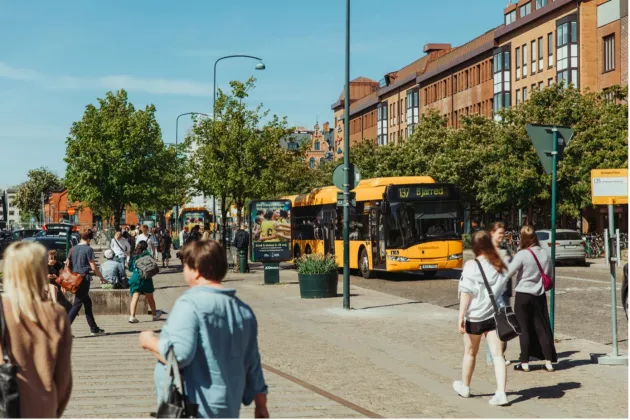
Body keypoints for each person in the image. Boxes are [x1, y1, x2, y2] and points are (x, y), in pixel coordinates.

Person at [139, 240, 269, 418]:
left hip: (195, 407)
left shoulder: (190, 304)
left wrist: (150, 342)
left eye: (185, 266)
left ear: (196, 270)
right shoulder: (242, 310)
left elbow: (179, 355)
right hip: (227, 407)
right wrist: (261, 405)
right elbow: (253, 362)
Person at [1, 242, 73, 417]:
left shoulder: (2, 308)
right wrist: (54, 409)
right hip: (43, 407)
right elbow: (64, 378)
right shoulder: (56, 314)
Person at [454, 230, 510, 406]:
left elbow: (466, 293)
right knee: (498, 355)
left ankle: (465, 386)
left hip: (475, 317)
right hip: (493, 315)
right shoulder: (497, 263)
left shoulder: (471, 266)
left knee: (470, 353)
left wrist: (461, 316)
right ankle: (501, 392)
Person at [505, 225, 558, 372]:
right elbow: (549, 276)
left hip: (523, 296)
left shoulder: (522, 254)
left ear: (523, 239)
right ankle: (548, 362)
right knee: (543, 329)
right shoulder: (545, 254)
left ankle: (525, 363)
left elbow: (509, 273)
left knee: (524, 329)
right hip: (539, 295)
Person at [68, 227, 106, 335]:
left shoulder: (73, 248)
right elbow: (93, 267)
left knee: (87, 303)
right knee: (77, 304)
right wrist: (102, 278)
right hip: (84, 279)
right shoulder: (88, 249)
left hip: (75, 279)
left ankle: (94, 328)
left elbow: (67, 264)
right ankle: (64, 329)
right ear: (89, 238)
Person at [485, 222, 513, 367]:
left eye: (503, 233)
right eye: (499, 233)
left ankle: (500, 354)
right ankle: (493, 356)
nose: (502, 236)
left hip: (505, 291)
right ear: (492, 234)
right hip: (493, 293)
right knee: (494, 324)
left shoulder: (504, 249)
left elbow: (511, 268)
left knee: (505, 324)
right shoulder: (488, 251)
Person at [128, 241, 163, 323]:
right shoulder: (147, 254)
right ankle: (154, 315)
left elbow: (130, 268)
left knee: (135, 297)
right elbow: (152, 265)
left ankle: (132, 316)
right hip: (146, 278)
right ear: (146, 247)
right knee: (150, 297)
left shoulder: (134, 255)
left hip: (135, 277)